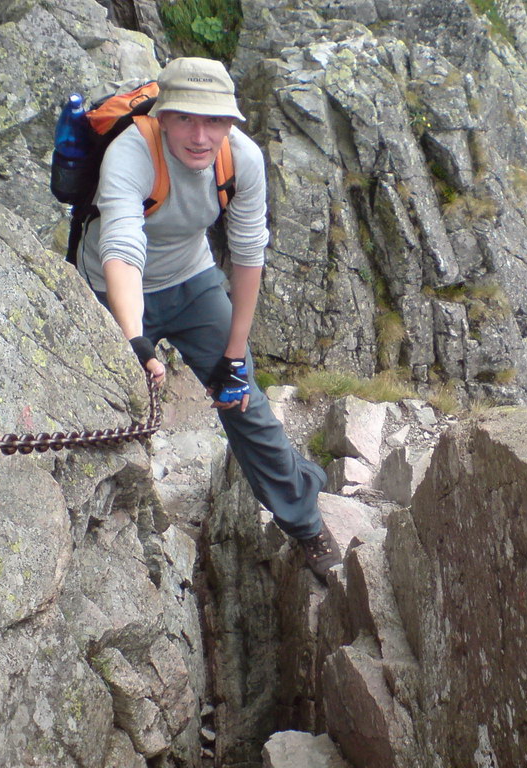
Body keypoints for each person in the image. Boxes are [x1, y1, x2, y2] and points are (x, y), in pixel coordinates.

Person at [75, 57, 341, 582]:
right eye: (186, 120)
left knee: (246, 404)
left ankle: (306, 523)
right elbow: (122, 247)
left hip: (193, 281)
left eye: (215, 121)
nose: (201, 136)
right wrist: (134, 338)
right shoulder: (133, 152)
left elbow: (247, 254)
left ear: (232, 123)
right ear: (164, 116)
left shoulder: (241, 159)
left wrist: (235, 357)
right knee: (111, 412)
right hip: (113, 289)